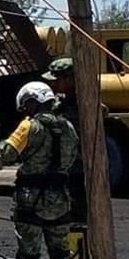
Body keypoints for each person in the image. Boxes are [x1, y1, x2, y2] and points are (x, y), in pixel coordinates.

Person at [0, 81, 79, 259]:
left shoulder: (28, 126)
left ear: (32, 102)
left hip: (30, 200)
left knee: (29, 255)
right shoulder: (68, 127)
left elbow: (6, 154)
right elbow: (72, 157)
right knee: (61, 254)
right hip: (59, 199)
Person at [43, 57, 87, 225]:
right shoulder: (59, 103)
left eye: (57, 80)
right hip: (63, 168)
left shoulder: (85, 104)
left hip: (79, 169)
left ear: (70, 79)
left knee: (79, 217)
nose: (53, 84)